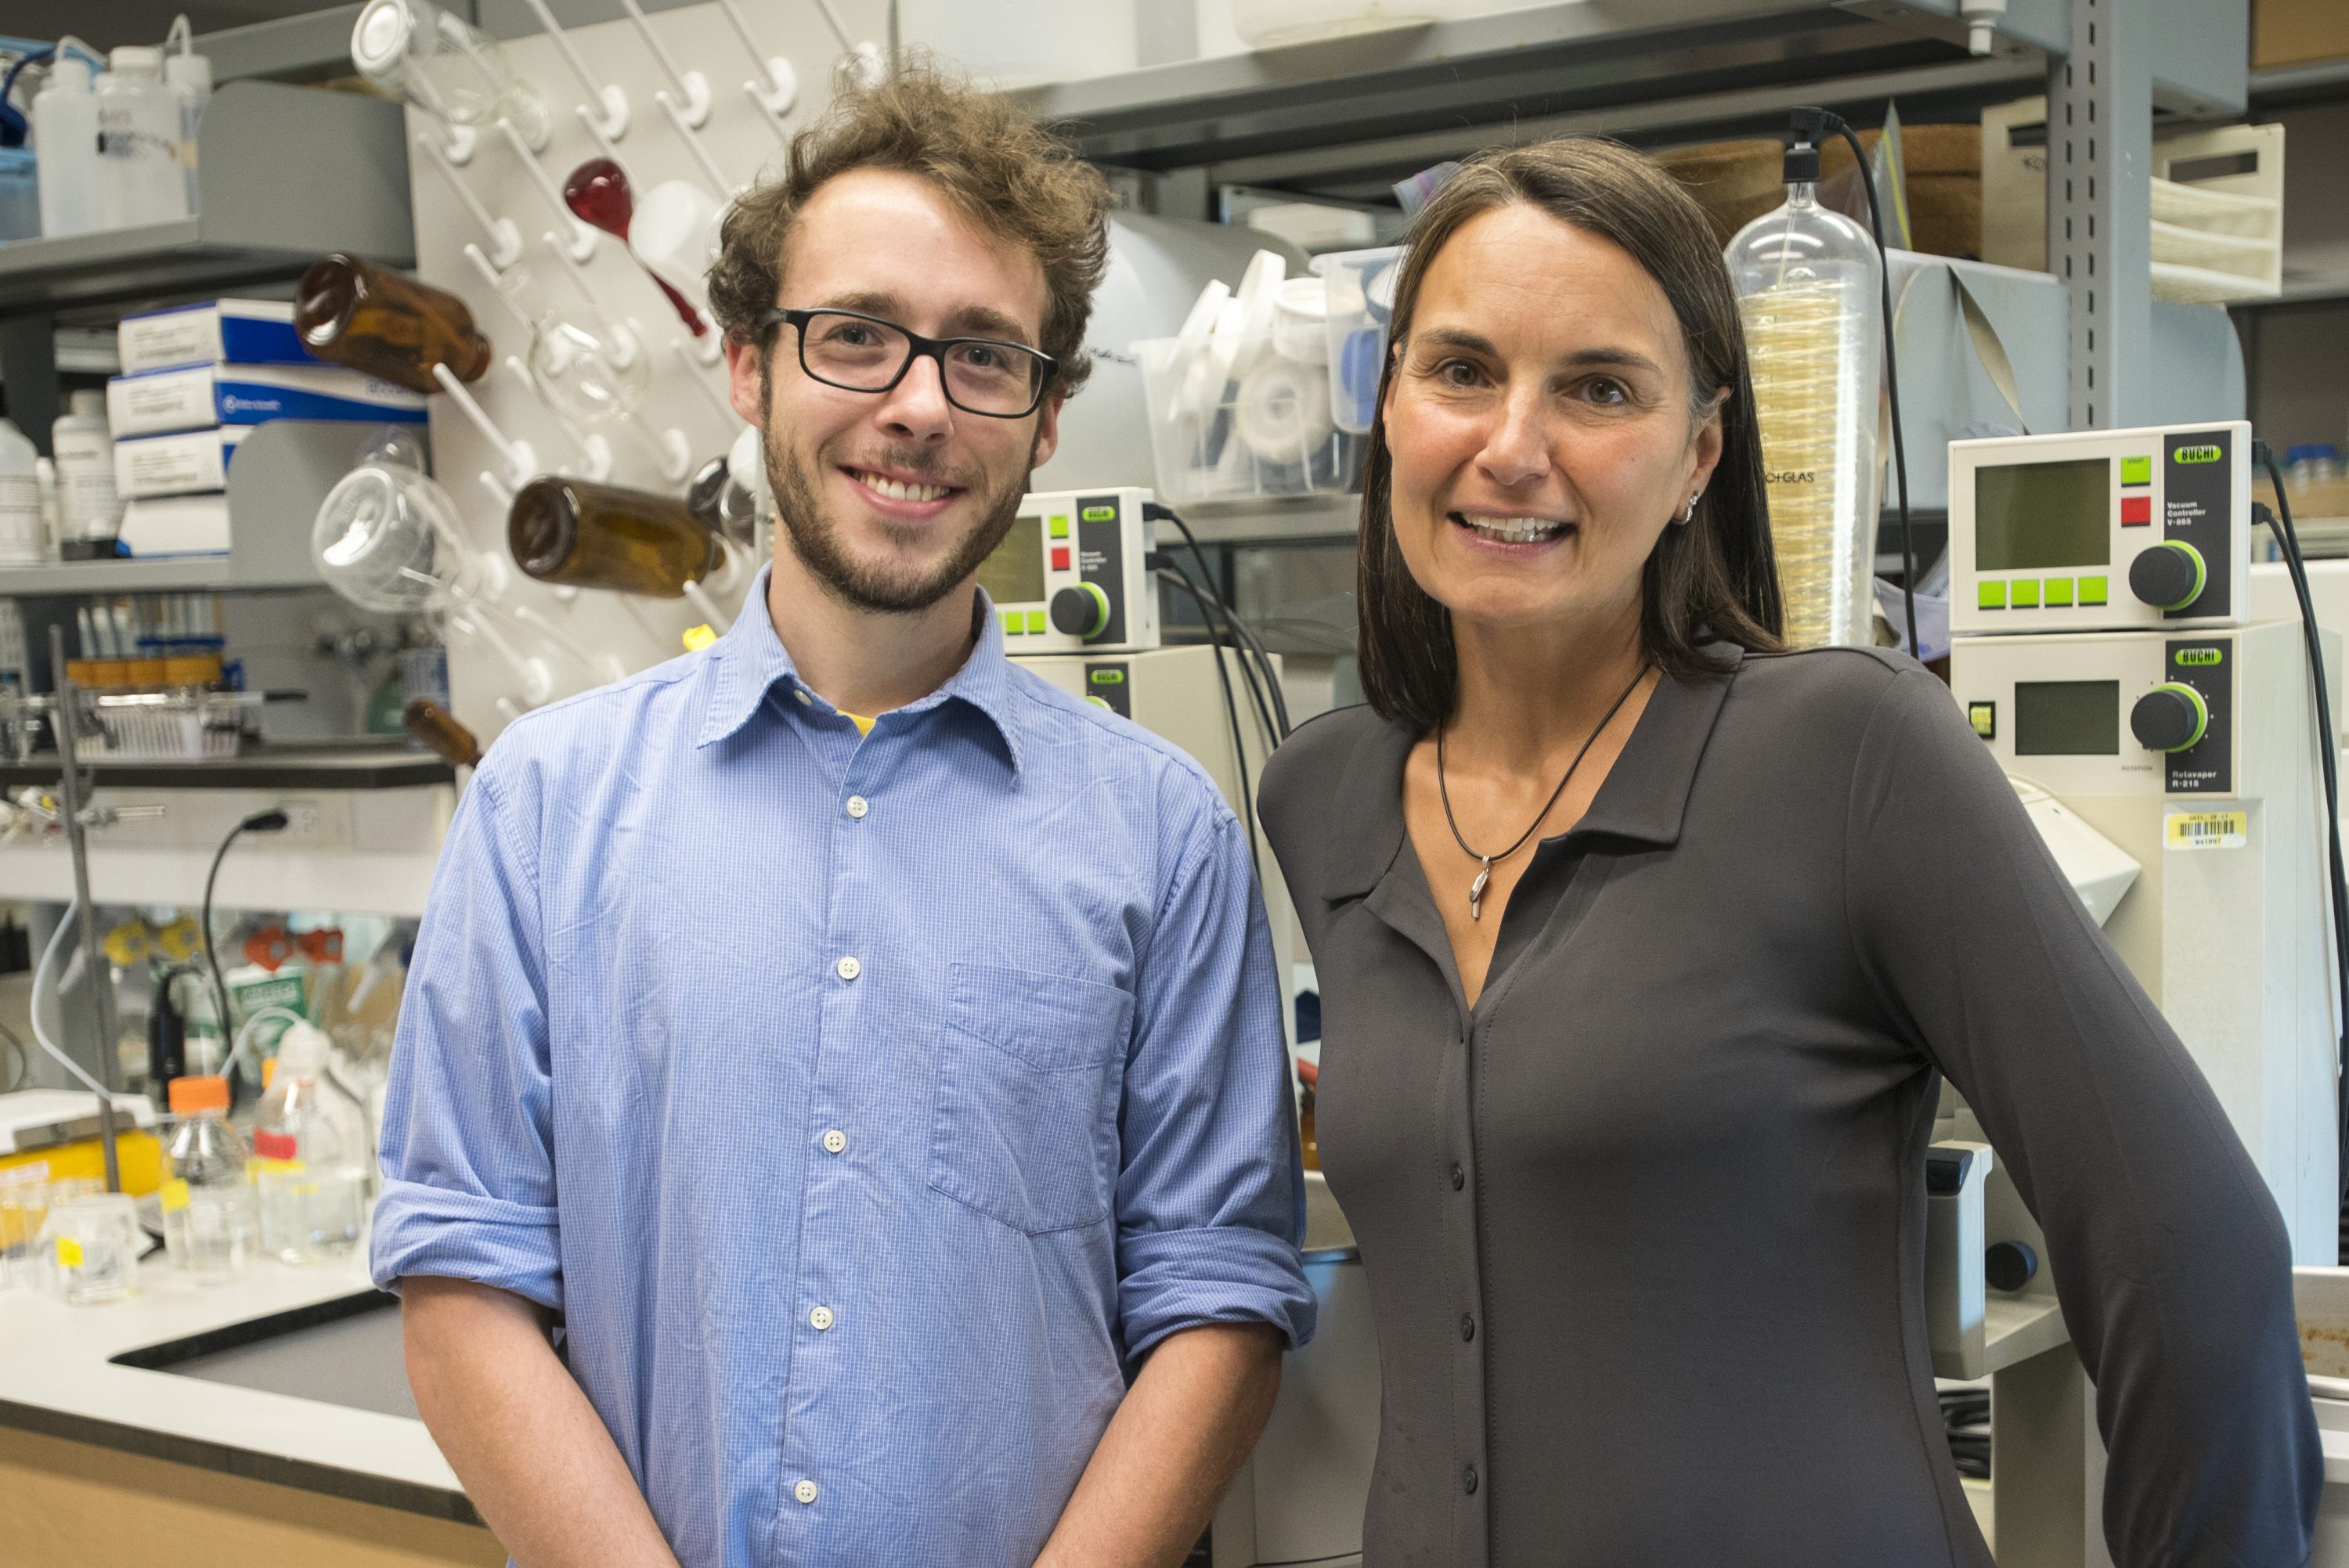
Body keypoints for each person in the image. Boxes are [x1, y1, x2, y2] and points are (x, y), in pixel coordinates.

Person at [1257, 138, 2319, 1567]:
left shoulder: (1847, 758)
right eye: (1461, 370)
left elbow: (2198, 1267)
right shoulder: (1325, 797)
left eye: (1598, 388)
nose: (1513, 445)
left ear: (1700, 454)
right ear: (1389, 407)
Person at [373, 66, 1315, 1568]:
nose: (919, 408)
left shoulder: (1163, 832)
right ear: (749, 367)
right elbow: (461, 1282)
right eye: (856, 338)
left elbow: (1220, 1301)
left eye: (986, 358)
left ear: (1049, 416)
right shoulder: (545, 807)